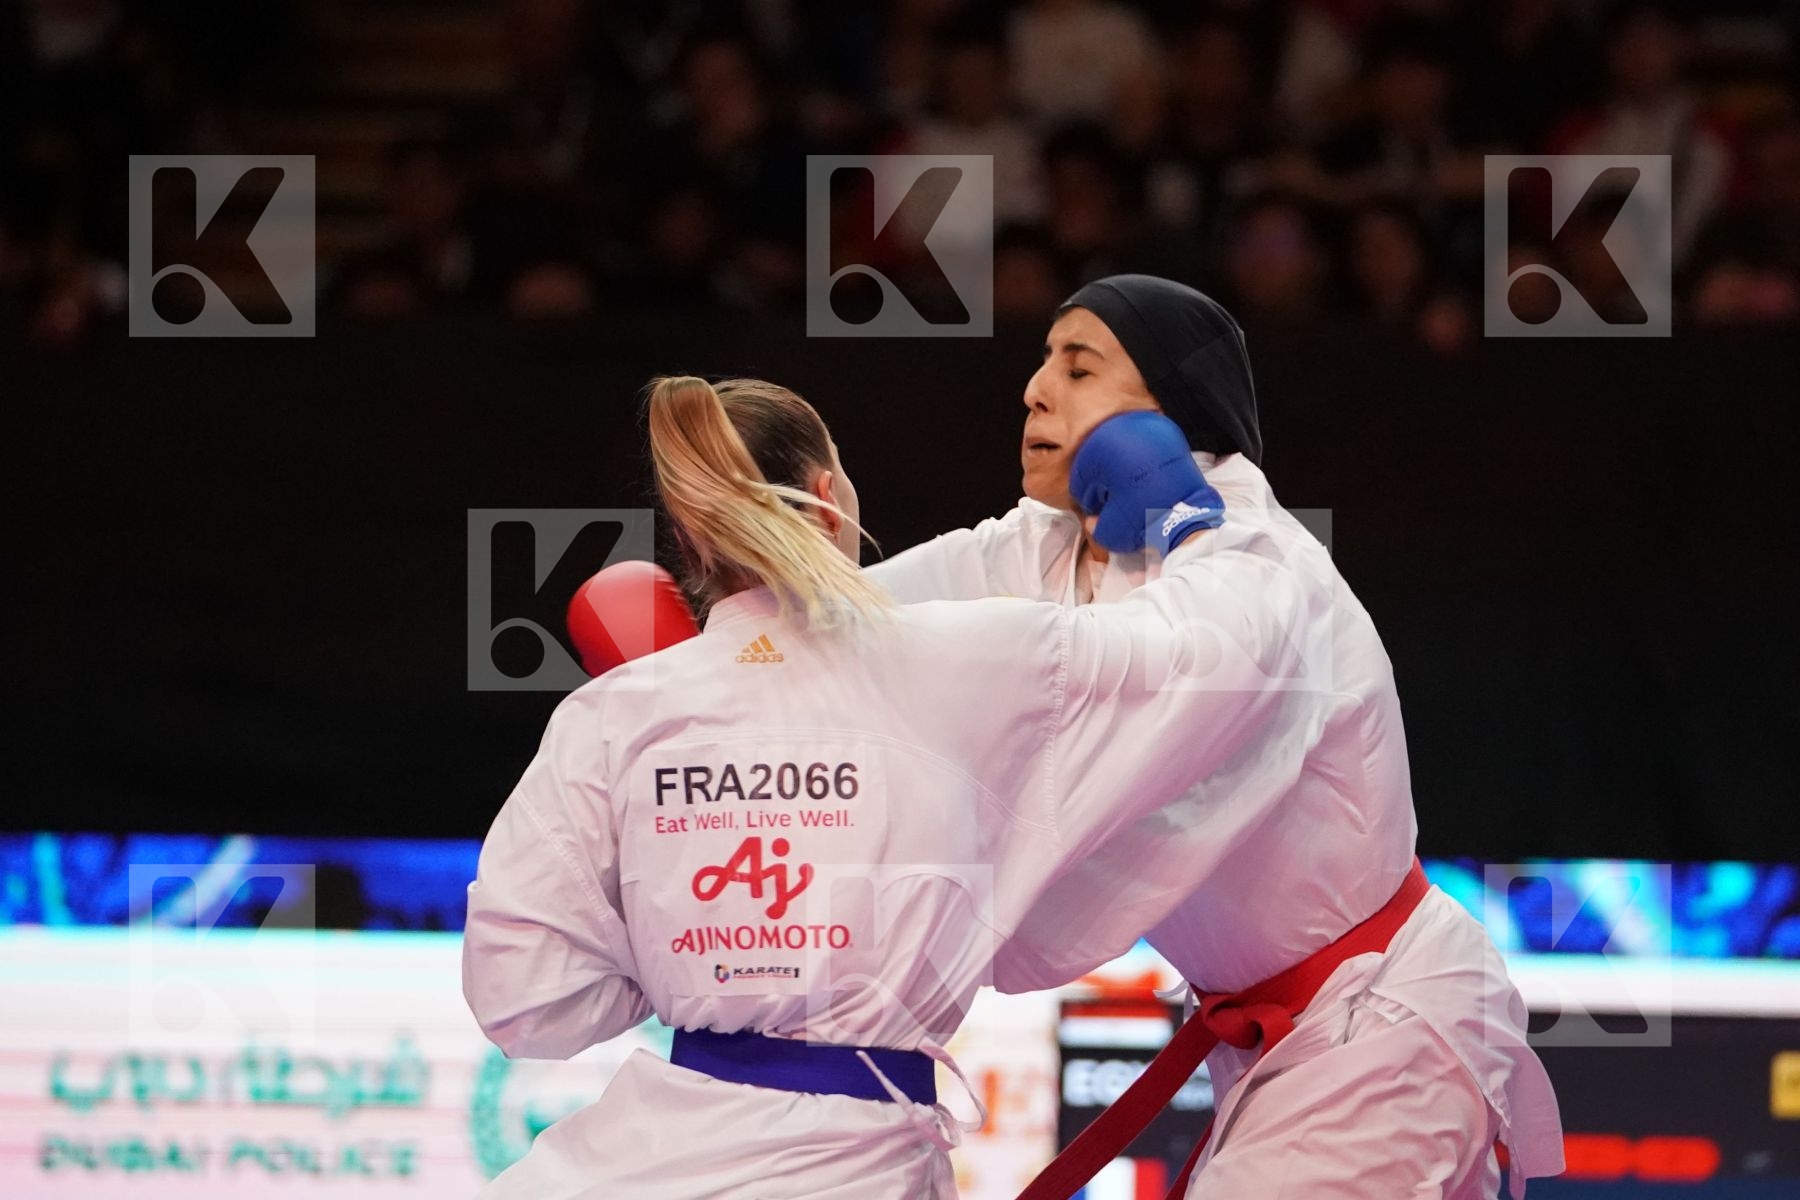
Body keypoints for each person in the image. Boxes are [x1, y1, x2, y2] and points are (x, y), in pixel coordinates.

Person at [462, 374, 1316, 1198]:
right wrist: (1189, 516)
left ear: (687, 543)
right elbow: (1237, 654)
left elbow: (524, 996)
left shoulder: (615, 714)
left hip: (641, 1158)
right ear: (832, 495)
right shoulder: (965, 660)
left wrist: (694, 951)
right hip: (851, 1169)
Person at [865, 275, 1564, 1198]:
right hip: (1282, 1041)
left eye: (1078, 368)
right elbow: (851, 628)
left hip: (1385, 1024)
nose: (1034, 389)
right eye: (1043, 362)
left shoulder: (1261, 564)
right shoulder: (1039, 545)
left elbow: (1148, 682)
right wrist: (713, 631)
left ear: (1167, 416)